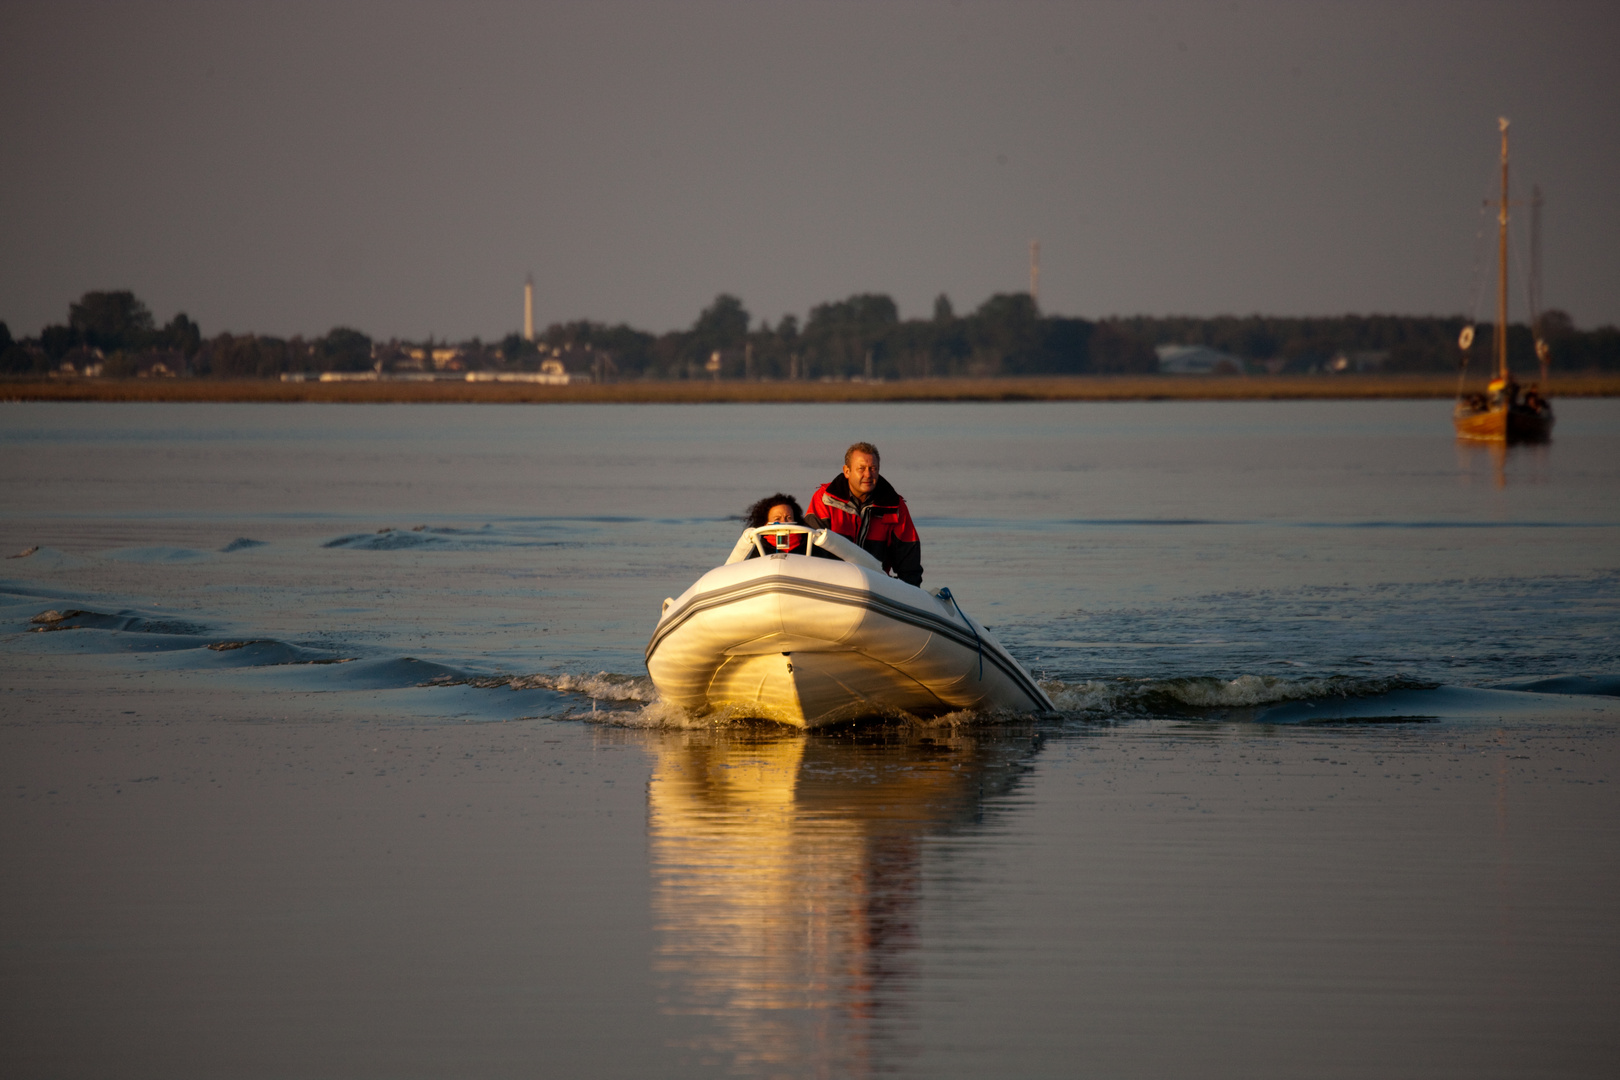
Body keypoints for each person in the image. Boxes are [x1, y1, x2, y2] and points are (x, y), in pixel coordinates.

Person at [805, 442, 923, 586]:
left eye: (873, 468)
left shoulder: (895, 506)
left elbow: (909, 562)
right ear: (847, 471)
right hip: (831, 582)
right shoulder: (824, 499)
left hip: (875, 586)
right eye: (861, 469)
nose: (868, 474)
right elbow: (811, 549)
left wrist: (911, 595)